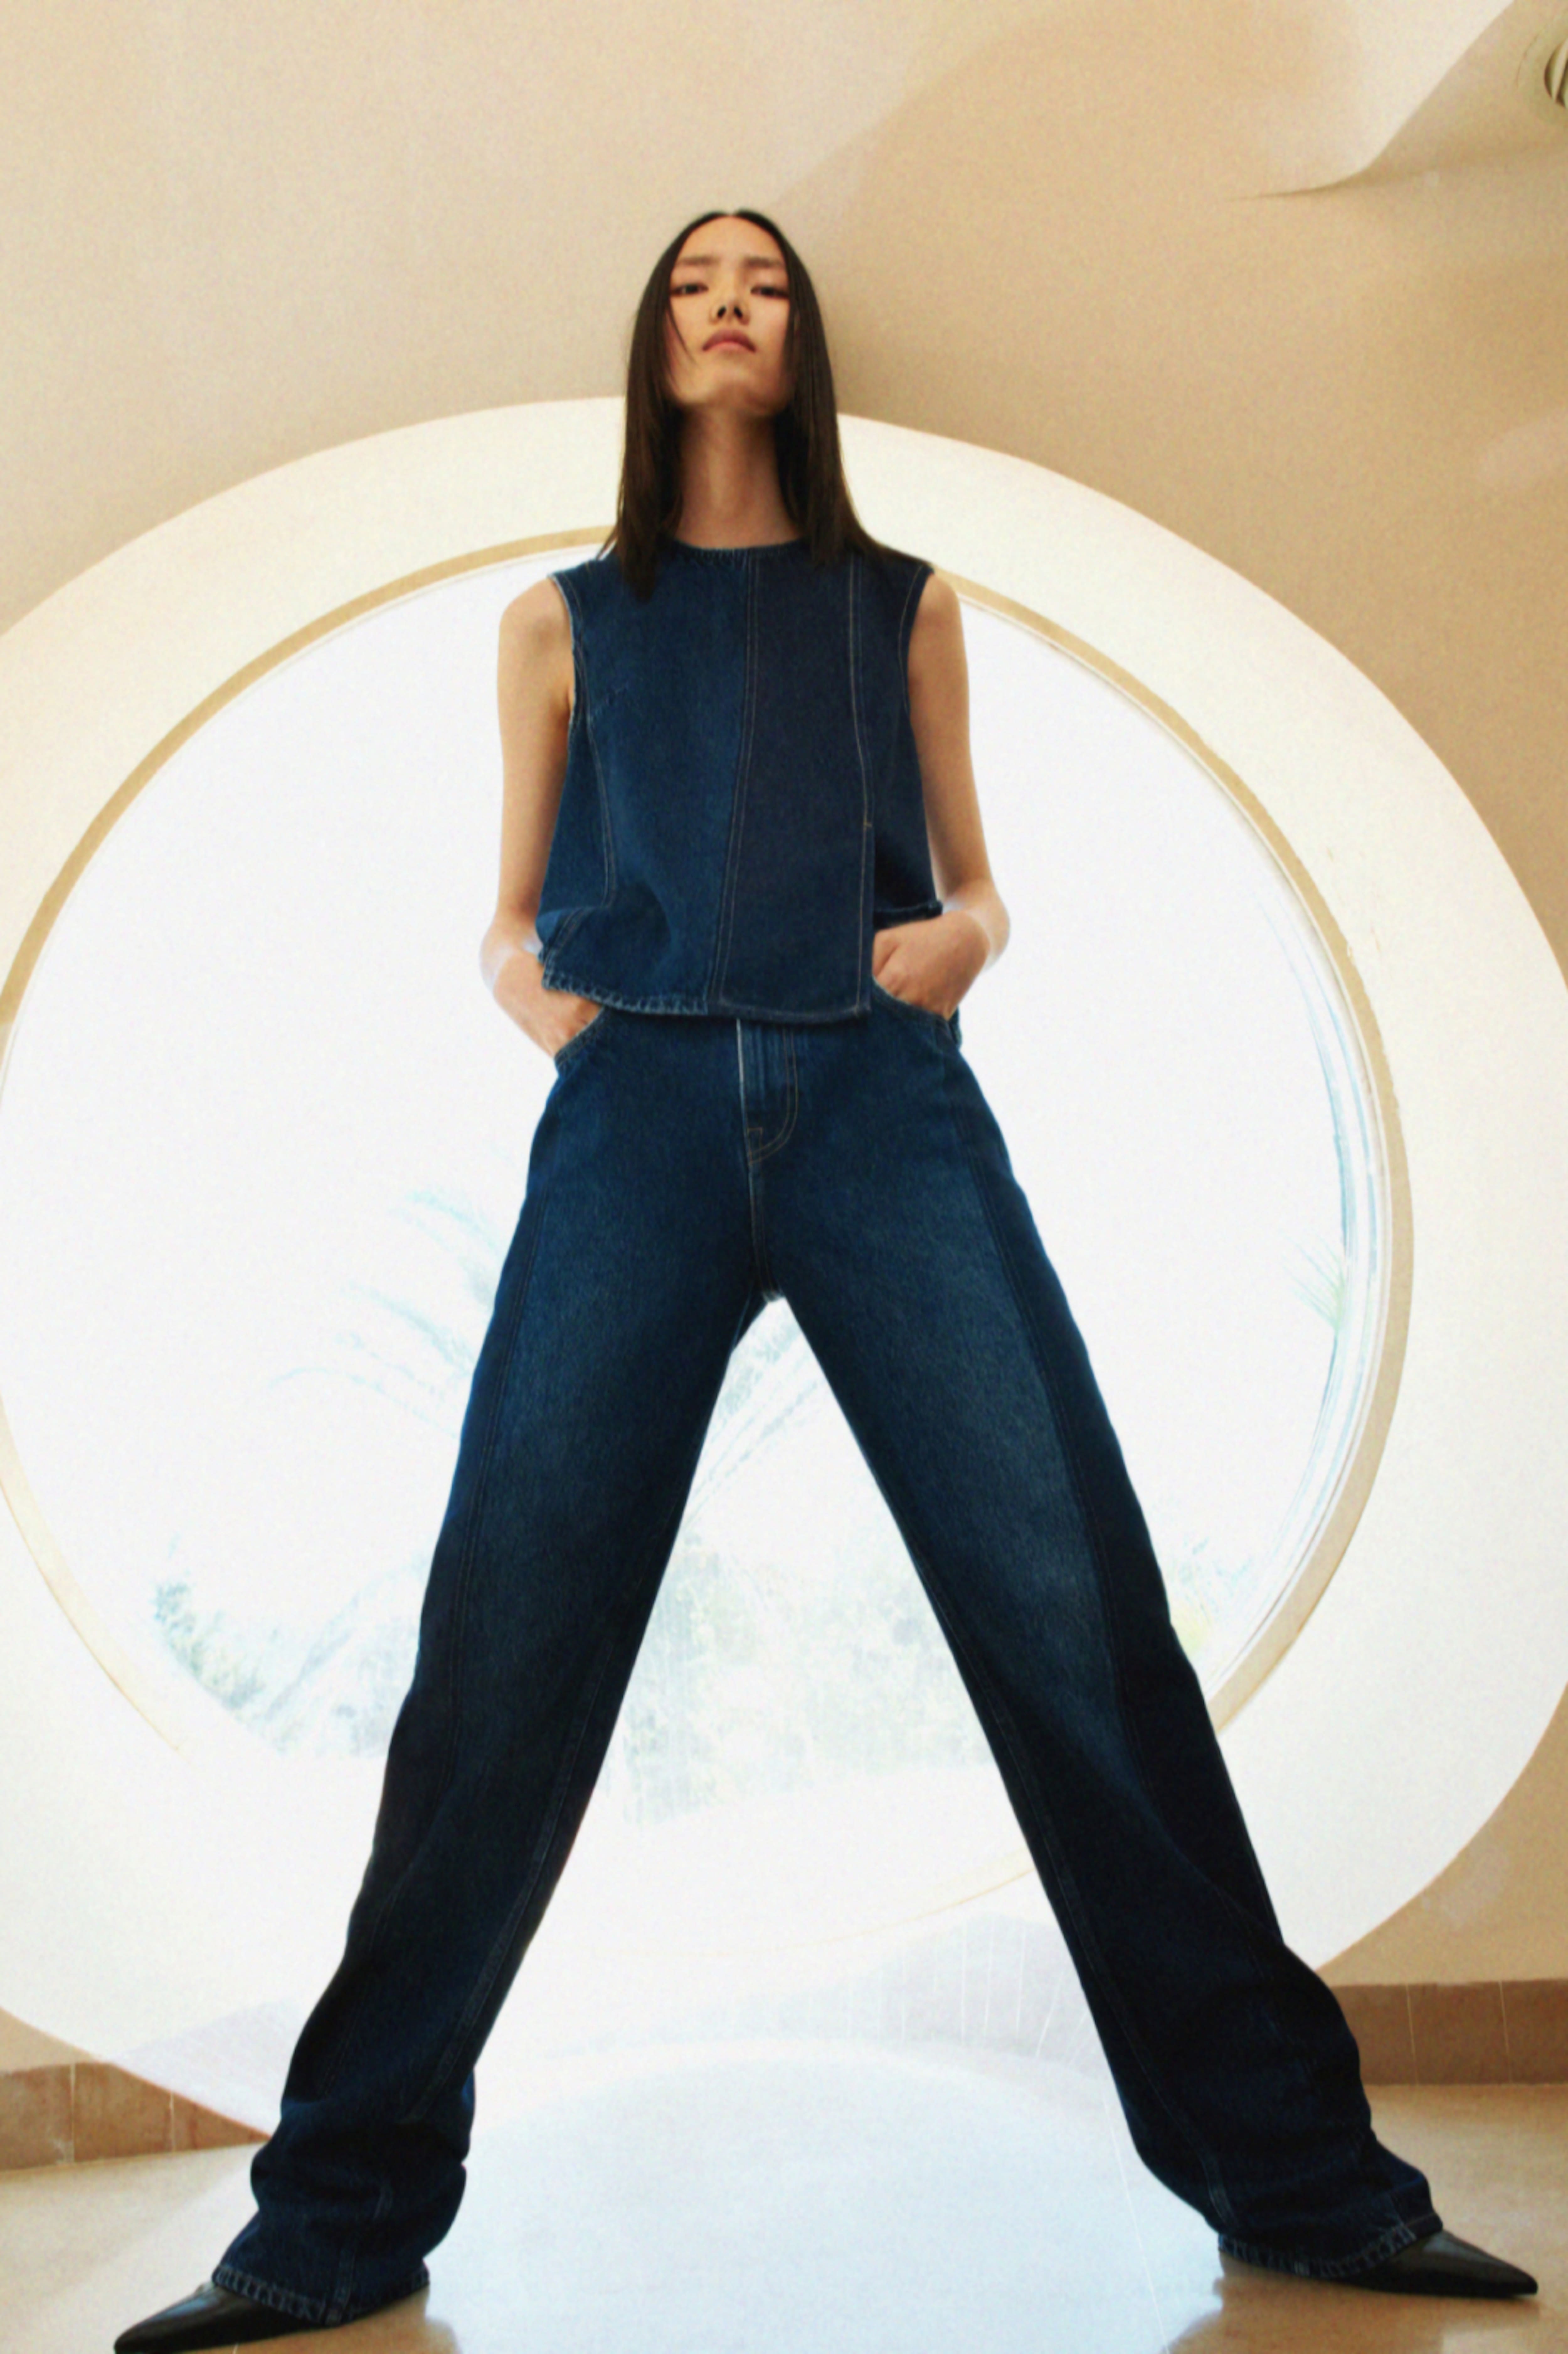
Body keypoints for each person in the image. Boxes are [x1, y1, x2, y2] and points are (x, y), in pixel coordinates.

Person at [115, 207, 1536, 2350]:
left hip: (882, 1108)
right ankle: (329, 2221)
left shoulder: (905, 606)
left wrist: (953, 949)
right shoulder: (557, 622)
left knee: (1076, 1618)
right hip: (636, 1122)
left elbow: (981, 885)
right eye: (696, 281)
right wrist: (554, 1012)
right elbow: (499, 918)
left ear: (801, 342)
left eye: (762, 283)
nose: (728, 304)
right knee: (502, 1647)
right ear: (652, 337)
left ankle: (1301, 2180)